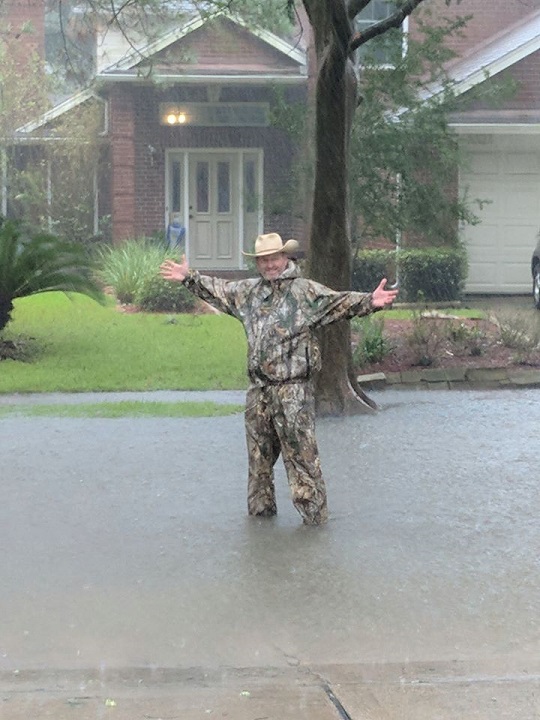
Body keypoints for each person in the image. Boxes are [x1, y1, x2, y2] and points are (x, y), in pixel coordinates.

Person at [159, 232, 398, 526]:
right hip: (258, 393)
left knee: (302, 462)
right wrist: (188, 278)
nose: (269, 265)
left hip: (293, 393)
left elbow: (339, 303)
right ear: (258, 263)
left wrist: (370, 301)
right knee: (258, 464)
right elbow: (219, 289)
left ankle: (315, 527)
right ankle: (261, 529)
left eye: (273, 258)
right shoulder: (248, 293)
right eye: (263, 260)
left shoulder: (305, 292)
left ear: (285, 258)